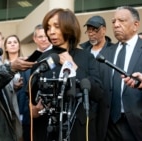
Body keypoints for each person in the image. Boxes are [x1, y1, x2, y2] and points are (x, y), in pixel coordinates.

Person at [30, 8, 104, 141]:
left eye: (56, 26)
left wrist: (73, 67)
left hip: (79, 131)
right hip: (47, 130)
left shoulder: (86, 57)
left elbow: (98, 93)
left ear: (69, 28)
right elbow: (30, 97)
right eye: (48, 27)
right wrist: (34, 110)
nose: (51, 31)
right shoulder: (42, 60)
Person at [96, 6, 142, 141]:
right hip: (109, 128)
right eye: (113, 21)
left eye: (121, 21)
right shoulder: (105, 54)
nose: (116, 25)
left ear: (136, 25)